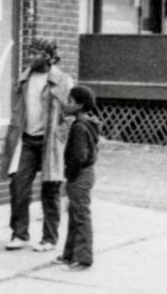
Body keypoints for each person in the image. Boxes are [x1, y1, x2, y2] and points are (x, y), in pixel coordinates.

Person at [2, 38, 73, 252]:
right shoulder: (24, 78)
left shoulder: (63, 80)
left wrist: (59, 137)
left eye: (36, 53)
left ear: (49, 57)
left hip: (50, 142)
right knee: (18, 187)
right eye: (30, 52)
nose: (30, 56)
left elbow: (70, 115)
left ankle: (49, 239)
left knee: (50, 191)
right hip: (26, 140)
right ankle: (19, 234)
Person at [57, 85, 102, 271]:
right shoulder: (86, 123)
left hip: (80, 175)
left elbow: (79, 156)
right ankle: (69, 254)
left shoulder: (79, 127)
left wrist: (70, 176)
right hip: (85, 174)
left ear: (80, 105)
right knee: (75, 215)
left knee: (81, 216)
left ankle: (83, 259)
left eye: (70, 101)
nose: (66, 104)